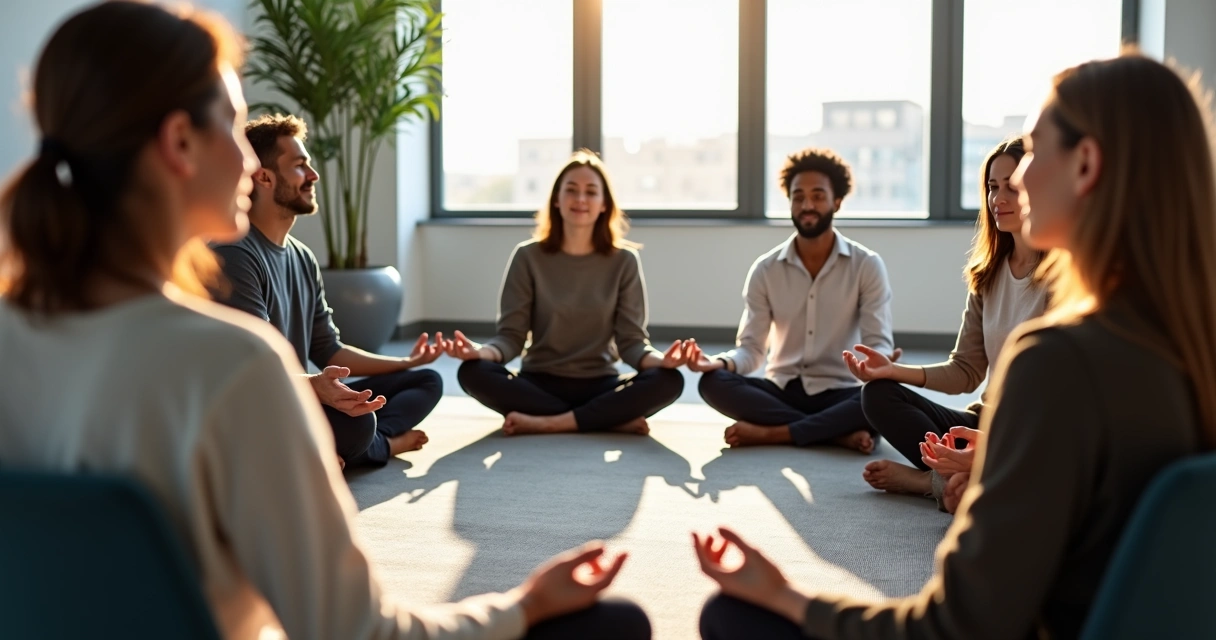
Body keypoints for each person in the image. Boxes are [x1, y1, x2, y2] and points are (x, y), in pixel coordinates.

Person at [0, 3, 650, 639]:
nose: (251, 164)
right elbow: (358, 630)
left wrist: (405, 364)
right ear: (179, 142)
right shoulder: (231, 366)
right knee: (617, 625)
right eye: (236, 127)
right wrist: (523, 607)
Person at [694, 50, 1213, 639]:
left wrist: (788, 597)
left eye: (1035, 151)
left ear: (1086, 165)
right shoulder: (1190, 340)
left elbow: (953, 626)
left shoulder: (1056, 361)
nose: (1015, 182)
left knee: (730, 615)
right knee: (876, 398)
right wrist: (997, 462)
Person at [212, 114, 443, 470]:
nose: (314, 175)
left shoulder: (302, 257)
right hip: (260, 407)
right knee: (359, 422)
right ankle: (370, 445)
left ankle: (365, 445)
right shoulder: (235, 254)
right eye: (301, 166)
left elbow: (329, 350)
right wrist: (314, 386)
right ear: (264, 177)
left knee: (426, 380)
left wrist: (405, 362)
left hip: (301, 395)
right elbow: (249, 372)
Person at [845, 138, 1047, 503]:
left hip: (1031, 432)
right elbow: (965, 371)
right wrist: (892, 372)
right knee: (877, 395)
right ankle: (963, 476)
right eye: (992, 187)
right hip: (983, 423)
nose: (998, 199)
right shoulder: (987, 275)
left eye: (1011, 187)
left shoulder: (1064, 277)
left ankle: (930, 483)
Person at [447, 150, 687, 436]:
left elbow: (631, 342)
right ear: (557, 201)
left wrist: (663, 361)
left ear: (603, 205)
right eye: (571, 190)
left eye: (591, 192)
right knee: (472, 372)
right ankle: (604, 419)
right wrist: (481, 352)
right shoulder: (527, 256)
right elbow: (511, 337)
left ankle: (551, 422)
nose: (580, 199)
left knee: (670, 380)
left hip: (600, 383)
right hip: (539, 382)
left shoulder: (624, 261)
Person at [687, 148, 896, 452]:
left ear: (837, 201)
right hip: (781, 389)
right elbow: (752, 350)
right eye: (798, 197)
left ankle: (775, 433)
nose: (807, 205)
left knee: (886, 393)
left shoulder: (866, 265)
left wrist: (880, 363)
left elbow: (879, 342)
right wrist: (719, 362)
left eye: (818, 196)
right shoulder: (765, 269)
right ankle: (834, 432)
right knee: (712, 382)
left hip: (840, 389)